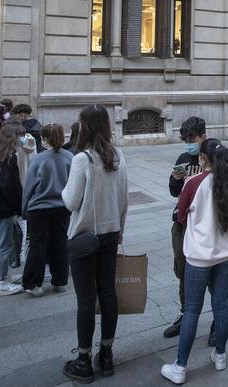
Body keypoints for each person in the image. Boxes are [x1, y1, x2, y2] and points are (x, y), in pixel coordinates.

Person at [162, 139, 228, 385]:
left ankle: (180, 366)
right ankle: (220, 355)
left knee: (192, 311)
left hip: (199, 256)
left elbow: (182, 215)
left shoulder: (194, 182)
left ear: (203, 159)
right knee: (221, 306)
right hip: (227, 254)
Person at [62, 104, 130, 383]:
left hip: (84, 238)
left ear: (85, 127)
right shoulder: (118, 155)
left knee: (86, 300)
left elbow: (70, 201)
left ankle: (83, 360)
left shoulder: (82, 160)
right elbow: (124, 199)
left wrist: (63, 188)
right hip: (111, 234)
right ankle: (106, 353)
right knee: (109, 294)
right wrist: (120, 229)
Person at [165, 116, 207, 338]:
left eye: (192, 139)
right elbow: (173, 191)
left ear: (203, 136)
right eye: (186, 139)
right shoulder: (184, 157)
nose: (189, 143)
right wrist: (175, 178)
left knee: (209, 273)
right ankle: (185, 315)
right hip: (182, 224)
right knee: (183, 271)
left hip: (205, 225)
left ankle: (217, 322)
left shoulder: (211, 156)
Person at [21, 123, 72, 296]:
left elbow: (29, 186)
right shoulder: (69, 157)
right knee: (60, 243)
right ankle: (60, 281)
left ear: (44, 139)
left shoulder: (38, 159)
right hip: (62, 207)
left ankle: (33, 283)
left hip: (39, 208)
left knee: (37, 245)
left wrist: (25, 207)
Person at [0, 124, 25, 296]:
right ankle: (1, 281)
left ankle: (1, 276)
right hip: (2, 207)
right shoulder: (8, 159)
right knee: (4, 244)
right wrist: (19, 207)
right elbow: (11, 187)